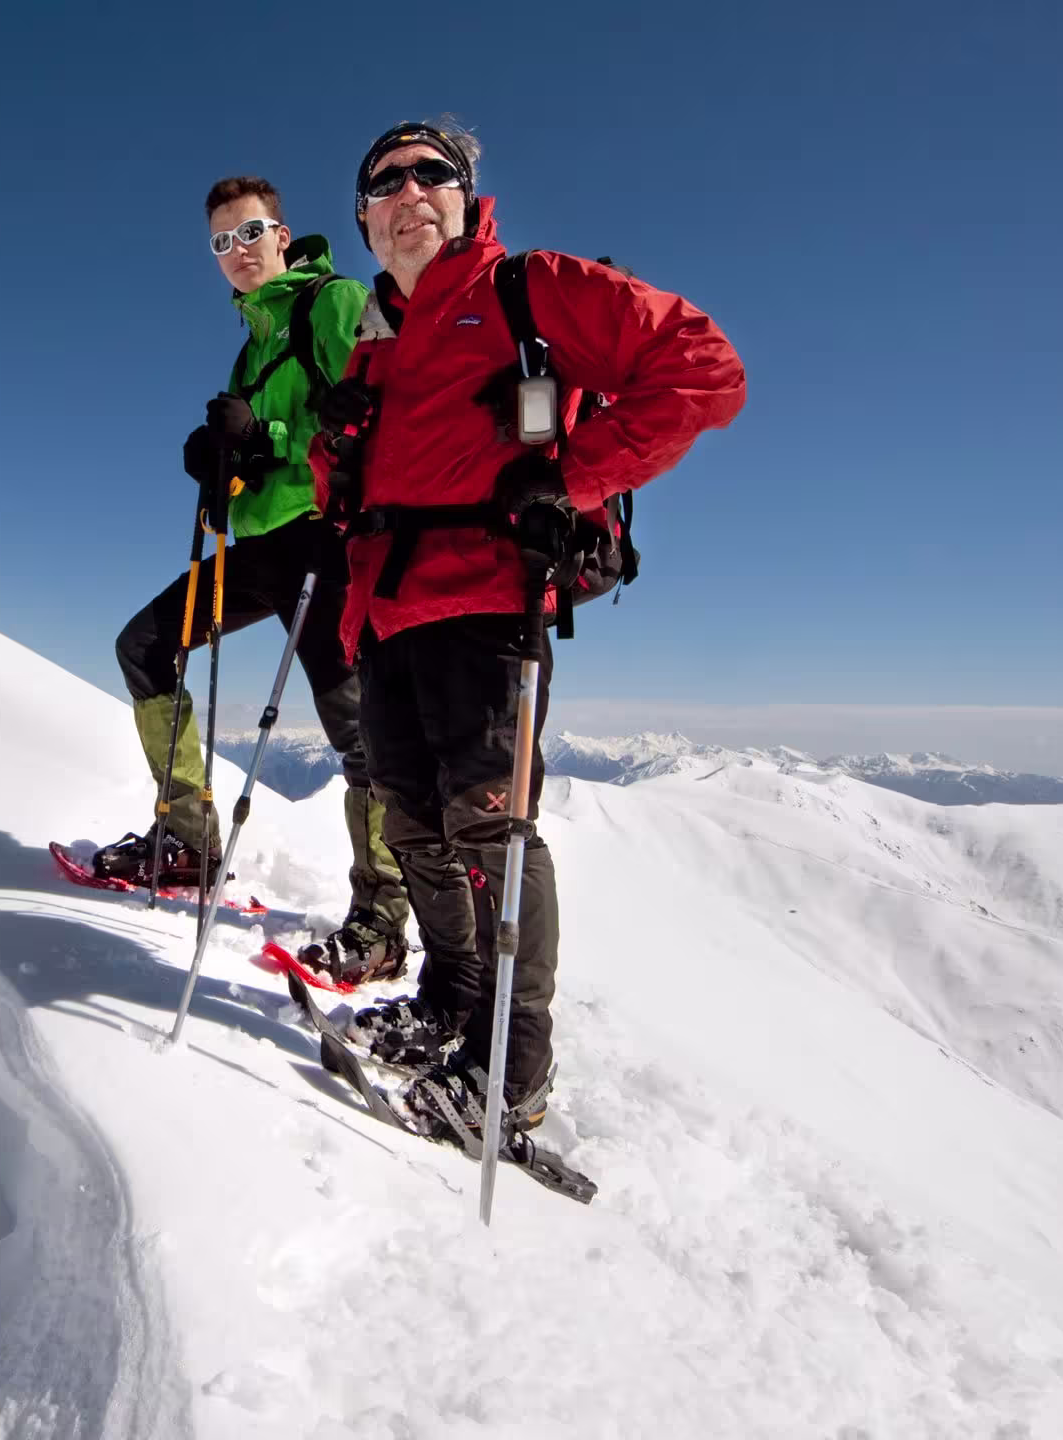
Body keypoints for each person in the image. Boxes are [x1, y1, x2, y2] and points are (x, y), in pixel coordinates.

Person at [315, 121, 746, 1135]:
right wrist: (335, 445)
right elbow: (347, 499)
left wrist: (571, 477)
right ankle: (450, 1001)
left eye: (432, 174)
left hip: (484, 601)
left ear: (465, 198)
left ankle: (513, 1066)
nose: (408, 190)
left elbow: (702, 366)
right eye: (384, 182)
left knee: (488, 829)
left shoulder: (528, 289)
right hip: (383, 609)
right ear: (365, 222)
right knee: (411, 821)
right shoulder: (373, 347)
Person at [92, 175, 411, 980]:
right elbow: (257, 464)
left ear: (282, 233)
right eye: (220, 242)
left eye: (250, 232)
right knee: (144, 647)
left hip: (328, 546)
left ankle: (382, 914)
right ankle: (192, 839)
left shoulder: (334, 305)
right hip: (263, 552)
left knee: (360, 735)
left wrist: (266, 435)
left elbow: (377, 407)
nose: (237, 252)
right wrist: (222, 466)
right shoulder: (250, 348)